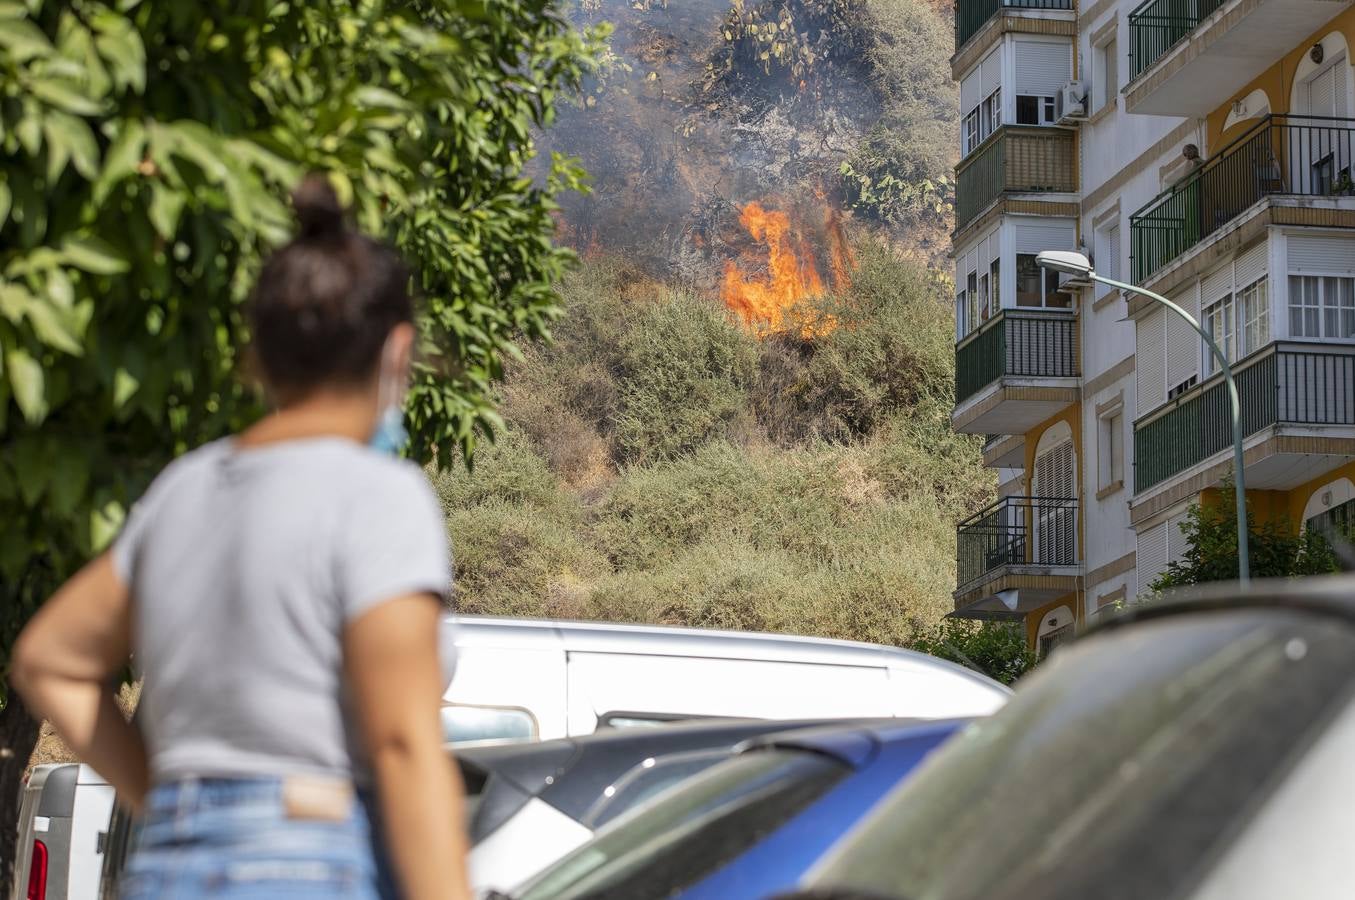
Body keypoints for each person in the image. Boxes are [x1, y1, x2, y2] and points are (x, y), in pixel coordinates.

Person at [11, 176, 472, 900]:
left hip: (168, 867)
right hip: (312, 859)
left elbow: (50, 660)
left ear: (257, 356)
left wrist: (162, 800)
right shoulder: (379, 494)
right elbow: (402, 742)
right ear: (397, 351)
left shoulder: (185, 487)